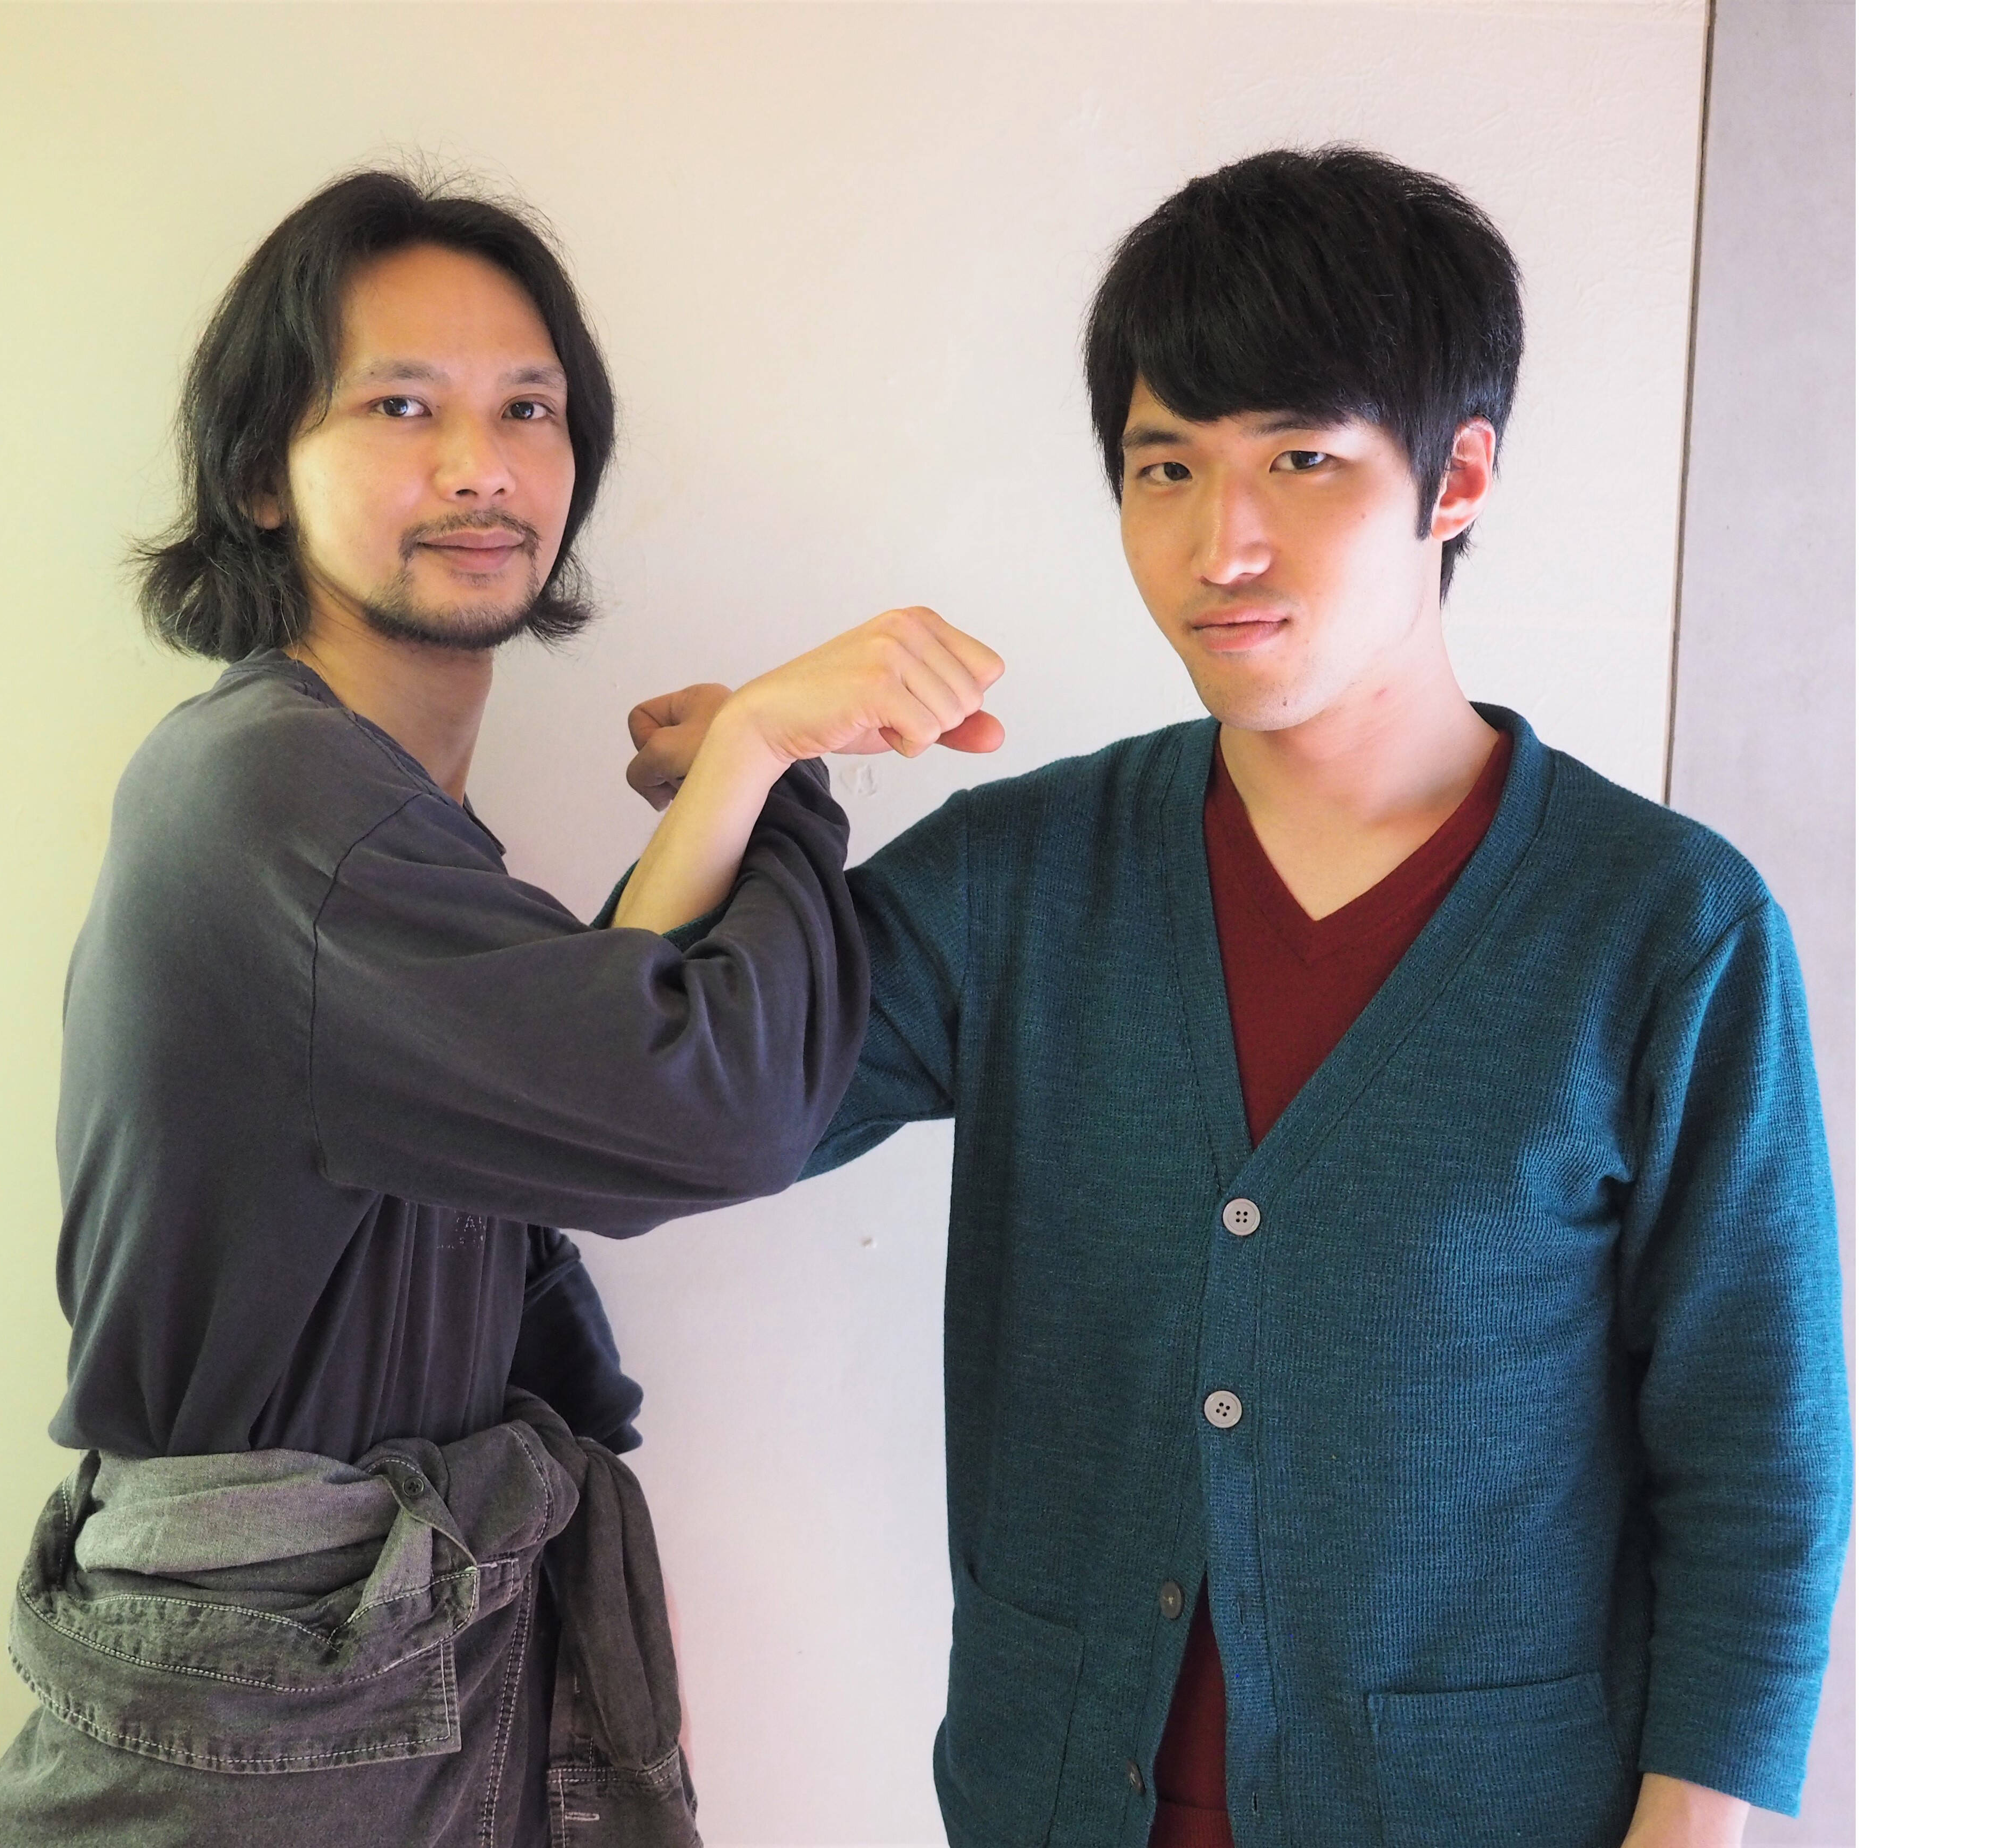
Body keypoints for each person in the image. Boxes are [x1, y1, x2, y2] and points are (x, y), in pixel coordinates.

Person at [627, 148, 1850, 1848]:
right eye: (1166, 468)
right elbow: (643, 1126)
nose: (1224, 543)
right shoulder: (1025, 880)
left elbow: (1759, 1465)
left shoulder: (1662, 930)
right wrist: (750, 760)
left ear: (1456, 476)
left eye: (1302, 458)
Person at [0, 169, 1002, 1848]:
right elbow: (700, 1108)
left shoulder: (345, 798)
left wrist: (733, 789)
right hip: (276, 1710)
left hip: (345, 1679)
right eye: (402, 407)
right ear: (258, 475)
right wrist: (771, 761)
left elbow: (567, 1071)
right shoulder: (278, 799)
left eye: (529, 407)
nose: (481, 464)